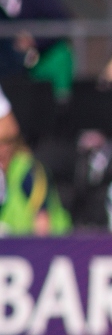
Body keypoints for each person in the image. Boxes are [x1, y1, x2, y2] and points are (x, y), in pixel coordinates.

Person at [0, 84, 71, 236]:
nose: (3, 150)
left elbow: (42, 222)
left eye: (6, 143)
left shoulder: (27, 170)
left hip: (49, 246)